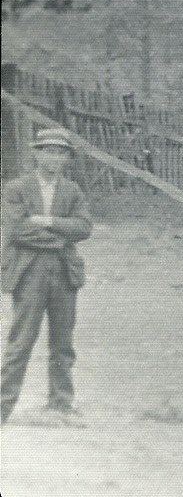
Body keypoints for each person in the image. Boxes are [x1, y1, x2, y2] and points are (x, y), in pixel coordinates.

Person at [1, 128, 92, 426]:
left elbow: (83, 228)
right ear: (36, 153)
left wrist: (49, 221)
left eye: (61, 152)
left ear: (67, 158)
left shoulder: (73, 191)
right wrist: (59, 237)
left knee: (63, 343)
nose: (54, 157)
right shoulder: (16, 188)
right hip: (29, 272)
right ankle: (3, 407)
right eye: (48, 151)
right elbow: (16, 230)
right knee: (21, 340)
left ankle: (61, 405)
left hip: (64, 273)